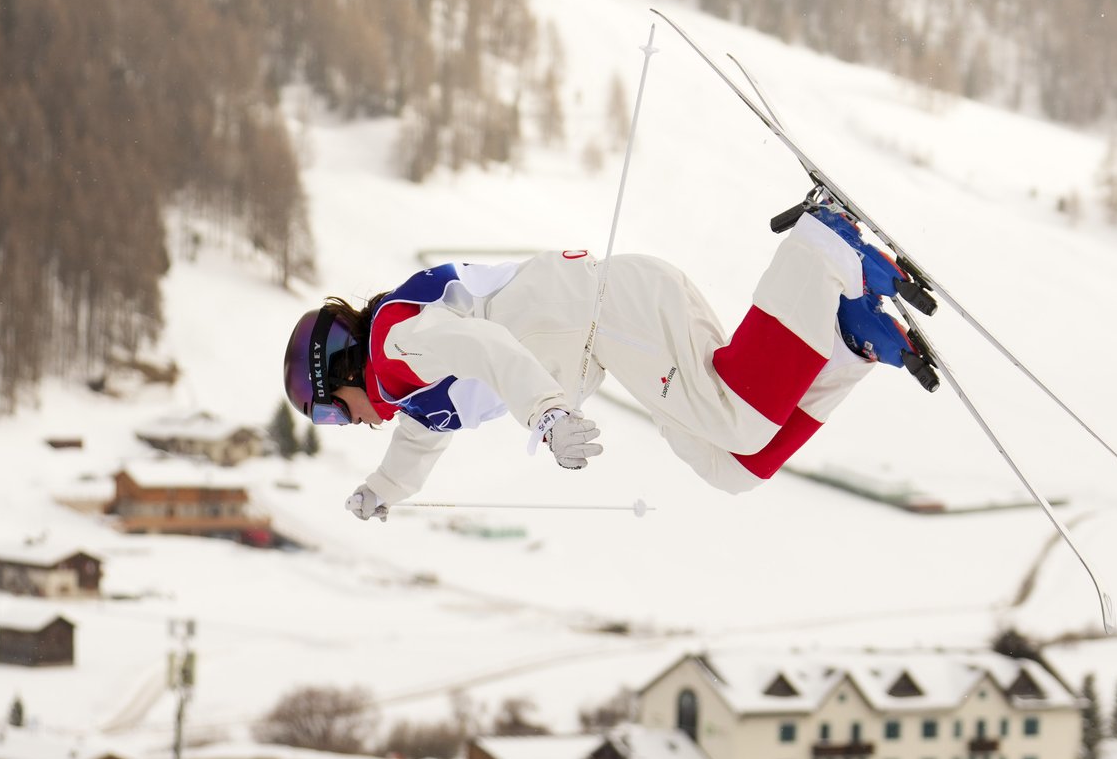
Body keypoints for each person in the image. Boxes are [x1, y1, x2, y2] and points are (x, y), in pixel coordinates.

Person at [282, 201, 918, 521]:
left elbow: (490, 350)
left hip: (611, 311)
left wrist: (549, 417)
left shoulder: (397, 346)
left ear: (340, 372)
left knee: (739, 422)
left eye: (335, 415)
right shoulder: (408, 393)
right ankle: (844, 337)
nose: (351, 425)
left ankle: (818, 247)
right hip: (616, 332)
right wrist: (381, 491)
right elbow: (414, 449)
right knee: (734, 468)